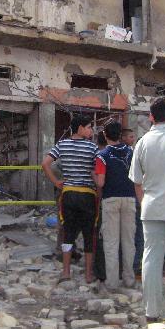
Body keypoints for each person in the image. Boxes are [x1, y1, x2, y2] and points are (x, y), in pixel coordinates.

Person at [129, 97, 165, 322]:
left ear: (151, 116)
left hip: (151, 207)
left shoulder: (142, 142)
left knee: (151, 258)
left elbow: (136, 181)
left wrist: (143, 203)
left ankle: (151, 311)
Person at [41, 114, 98, 284]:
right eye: (88, 127)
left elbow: (45, 163)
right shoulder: (92, 148)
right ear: (80, 128)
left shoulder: (62, 144)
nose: (91, 130)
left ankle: (66, 272)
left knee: (68, 233)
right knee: (89, 234)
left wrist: (56, 182)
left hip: (68, 194)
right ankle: (88, 274)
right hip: (88, 195)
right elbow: (96, 171)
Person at [95, 121, 136, 290]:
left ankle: (112, 282)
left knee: (111, 242)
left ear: (105, 135)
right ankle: (129, 279)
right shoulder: (131, 153)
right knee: (129, 241)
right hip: (130, 198)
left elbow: (100, 181)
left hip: (110, 199)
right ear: (120, 134)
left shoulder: (102, 155)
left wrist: (93, 176)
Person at [122, 127, 143, 278]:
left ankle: (129, 267)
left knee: (128, 234)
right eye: (130, 136)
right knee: (137, 235)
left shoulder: (132, 152)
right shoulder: (132, 153)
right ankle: (134, 267)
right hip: (134, 199)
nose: (133, 139)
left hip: (130, 199)